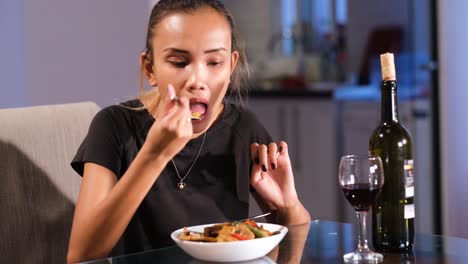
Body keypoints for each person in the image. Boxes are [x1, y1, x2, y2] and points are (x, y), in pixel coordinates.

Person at [66, 0, 310, 263]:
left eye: (214, 62)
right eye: (180, 62)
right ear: (150, 69)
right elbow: (81, 255)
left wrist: (288, 206)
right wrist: (154, 154)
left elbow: (292, 234)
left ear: (231, 66)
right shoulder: (114, 125)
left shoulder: (243, 128)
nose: (197, 80)